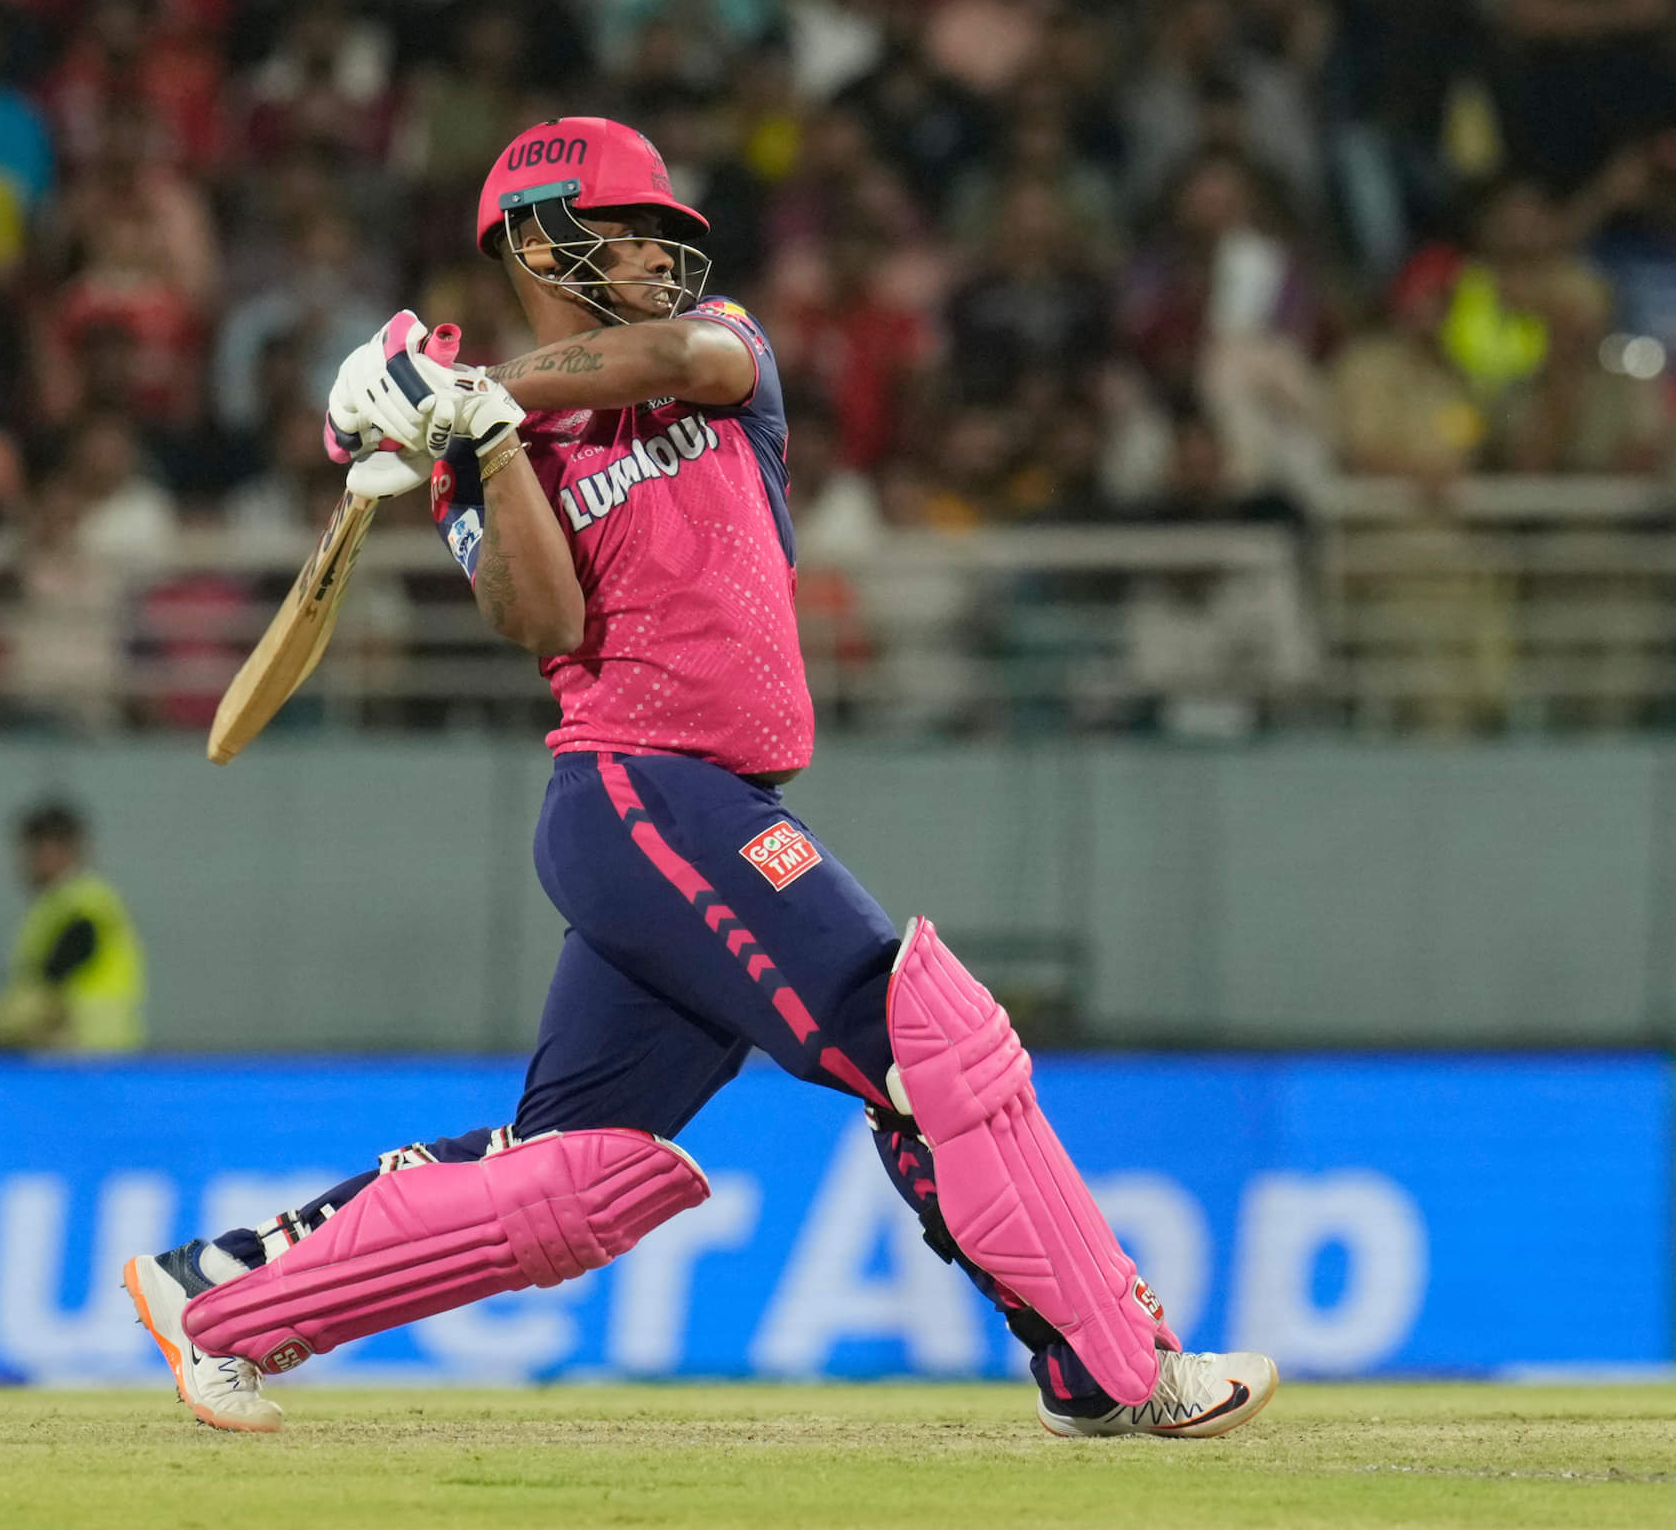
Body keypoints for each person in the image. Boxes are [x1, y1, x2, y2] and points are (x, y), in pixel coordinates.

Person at [123, 117, 1280, 1440]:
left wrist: (478, 388)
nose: (659, 258)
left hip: (696, 805)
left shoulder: (714, 350)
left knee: (570, 1174)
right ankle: (1115, 1369)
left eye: (665, 237)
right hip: (644, 791)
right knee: (925, 1045)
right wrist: (483, 442)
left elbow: (684, 354)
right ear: (537, 242)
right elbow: (544, 620)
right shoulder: (484, 455)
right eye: (626, 234)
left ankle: (216, 1296)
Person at [0, 799, 147, 1053]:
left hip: (85, 1051)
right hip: (93, 1049)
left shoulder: (82, 906)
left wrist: (0, 1021)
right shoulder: (60, 905)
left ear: (59, 850)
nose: (23, 864)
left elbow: (51, 981)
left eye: (31, 852)